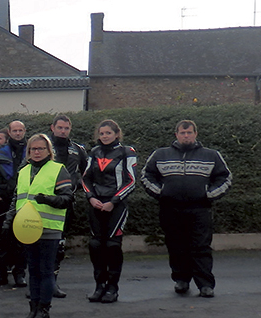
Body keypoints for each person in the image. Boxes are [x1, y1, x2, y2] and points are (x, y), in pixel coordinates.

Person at [141, 120, 232, 297]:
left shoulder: (211, 155)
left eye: (189, 132)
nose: (186, 136)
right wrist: (162, 193)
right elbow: (146, 176)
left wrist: (208, 195)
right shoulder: (160, 154)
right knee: (176, 246)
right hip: (170, 209)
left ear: (195, 134)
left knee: (201, 247)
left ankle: (205, 285)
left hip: (200, 209)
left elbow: (225, 178)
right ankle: (181, 280)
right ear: (176, 135)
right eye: (182, 133)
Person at [6, 134, 73, 318]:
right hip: (27, 230)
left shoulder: (58, 170)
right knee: (33, 271)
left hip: (49, 229)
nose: (36, 152)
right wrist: (9, 222)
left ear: (48, 151)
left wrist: (49, 199)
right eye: (33, 149)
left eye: (40, 149)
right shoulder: (24, 171)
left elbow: (68, 199)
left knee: (45, 271)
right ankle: (33, 309)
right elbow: (16, 199)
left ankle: (44, 310)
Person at [82, 120, 137, 303]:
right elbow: (85, 179)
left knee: (112, 246)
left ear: (116, 134)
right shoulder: (94, 152)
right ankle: (99, 285)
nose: (105, 136)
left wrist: (114, 201)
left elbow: (131, 180)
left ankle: (112, 287)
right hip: (96, 204)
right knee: (96, 245)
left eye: (108, 133)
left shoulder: (127, 152)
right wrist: (91, 197)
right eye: (102, 133)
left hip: (116, 205)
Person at [0, 120, 28, 288]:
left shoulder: (31, 151)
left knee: (22, 239)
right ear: (9, 132)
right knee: (1, 238)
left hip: (24, 202)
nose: (17, 133)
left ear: (24, 131)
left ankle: (20, 274)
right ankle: (0, 273)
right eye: (14, 130)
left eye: (20, 130)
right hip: (3, 202)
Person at [49, 115, 89, 297]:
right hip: (45, 202)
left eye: (66, 128)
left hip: (66, 203)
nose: (63, 131)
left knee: (59, 244)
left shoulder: (78, 150)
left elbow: (87, 173)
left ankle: (52, 283)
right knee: (41, 245)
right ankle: (39, 283)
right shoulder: (44, 146)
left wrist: (78, 185)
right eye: (60, 128)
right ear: (53, 128)